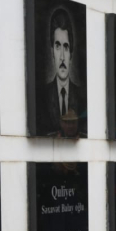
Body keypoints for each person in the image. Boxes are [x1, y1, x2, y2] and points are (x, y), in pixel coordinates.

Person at [38, 8, 85, 138]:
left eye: (66, 47)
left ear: (71, 53)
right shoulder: (42, 96)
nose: (62, 57)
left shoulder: (81, 96)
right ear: (52, 52)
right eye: (58, 46)